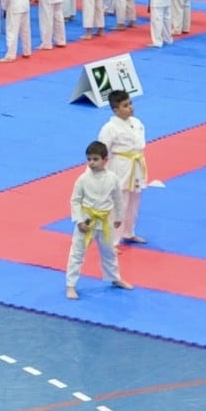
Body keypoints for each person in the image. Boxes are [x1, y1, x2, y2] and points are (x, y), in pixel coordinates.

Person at [66, 140, 133, 300]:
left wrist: (118, 217)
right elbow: (75, 200)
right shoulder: (82, 179)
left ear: (105, 160)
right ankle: (70, 285)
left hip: (105, 220)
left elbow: (118, 199)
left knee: (109, 251)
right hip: (87, 220)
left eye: (95, 159)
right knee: (77, 253)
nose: (91, 163)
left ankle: (115, 278)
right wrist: (79, 220)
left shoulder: (113, 178)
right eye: (89, 159)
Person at [97, 90, 150, 246]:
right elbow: (102, 150)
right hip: (120, 167)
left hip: (136, 164)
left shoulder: (137, 123)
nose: (130, 108)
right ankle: (112, 241)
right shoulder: (109, 128)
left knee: (134, 201)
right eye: (125, 106)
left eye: (130, 103)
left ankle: (129, 232)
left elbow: (139, 145)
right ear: (116, 110)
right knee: (120, 204)